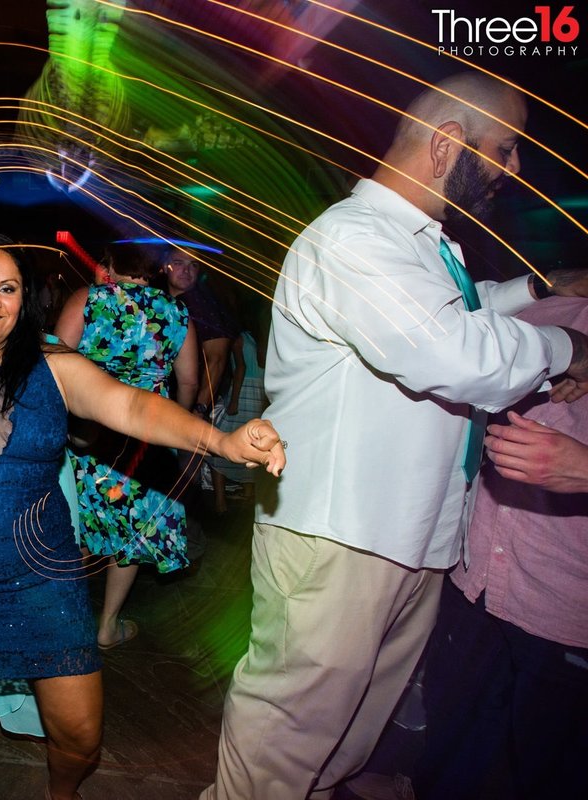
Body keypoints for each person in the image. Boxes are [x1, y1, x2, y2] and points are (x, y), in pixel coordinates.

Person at [201, 71, 588, 800]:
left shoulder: (428, 246)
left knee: (343, 738)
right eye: (503, 148)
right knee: (281, 747)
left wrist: (538, 292)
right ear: (447, 144)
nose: (512, 169)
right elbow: (451, 352)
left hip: (409, 535)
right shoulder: (354, 238)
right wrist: (571, 351)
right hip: (341, 537)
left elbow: (458, 319)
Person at [0, 206, 286, 800]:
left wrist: (221, 439)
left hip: (44, 581)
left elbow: (133, 406)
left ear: (27, 298)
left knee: (80, 740)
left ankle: (60, 795)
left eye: (7, 288)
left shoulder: (55, 364)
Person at [411, 295, 588, 800]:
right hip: (479, 580)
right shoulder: (545, 311)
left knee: (553, 765)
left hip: (569, 607)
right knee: (451, 737)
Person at [54, 241, 201, 650]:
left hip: (88, 431)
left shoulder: (89, 298)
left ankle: (65, 621)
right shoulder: (177, 313)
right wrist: (174, 423)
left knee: (78, 526)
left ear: (110, 264)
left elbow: (56, 360)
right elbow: (188, 381)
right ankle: (107, 626)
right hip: (146, 439)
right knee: (132, 535)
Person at [205, 307, 268, 513]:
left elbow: (239, 368)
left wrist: (233, 400)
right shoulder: (262, 340)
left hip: (242, 394)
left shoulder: (240, 338)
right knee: (254, 445)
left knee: (218, 445)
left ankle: (220, 501)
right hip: (259, 396)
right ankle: (249, 495)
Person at [163, 249, 237, 416]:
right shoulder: (163, 303)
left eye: (193, 265)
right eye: (178, 263)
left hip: (188, 409)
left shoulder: (203, 305)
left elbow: (216, 359)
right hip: (164, 404)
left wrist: (199, 408)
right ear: (165, 266)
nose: (186, 270)